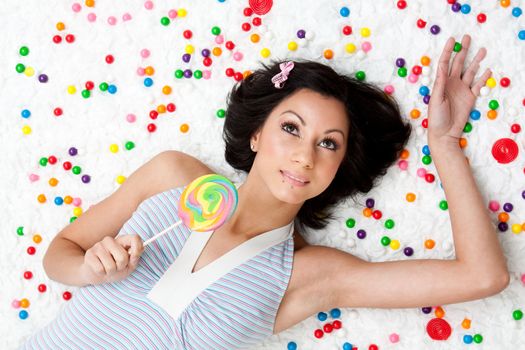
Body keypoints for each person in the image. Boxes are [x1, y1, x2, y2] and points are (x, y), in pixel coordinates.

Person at [21, 34, 509, 349]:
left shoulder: (307, 275)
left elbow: (483, 275)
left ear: (338, 168)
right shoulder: (172, 176)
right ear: (256, 134)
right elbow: (58, 255)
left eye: (328, 144)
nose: (304, 156)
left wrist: (445, 145)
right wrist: (89, 268)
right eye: (291, 129)